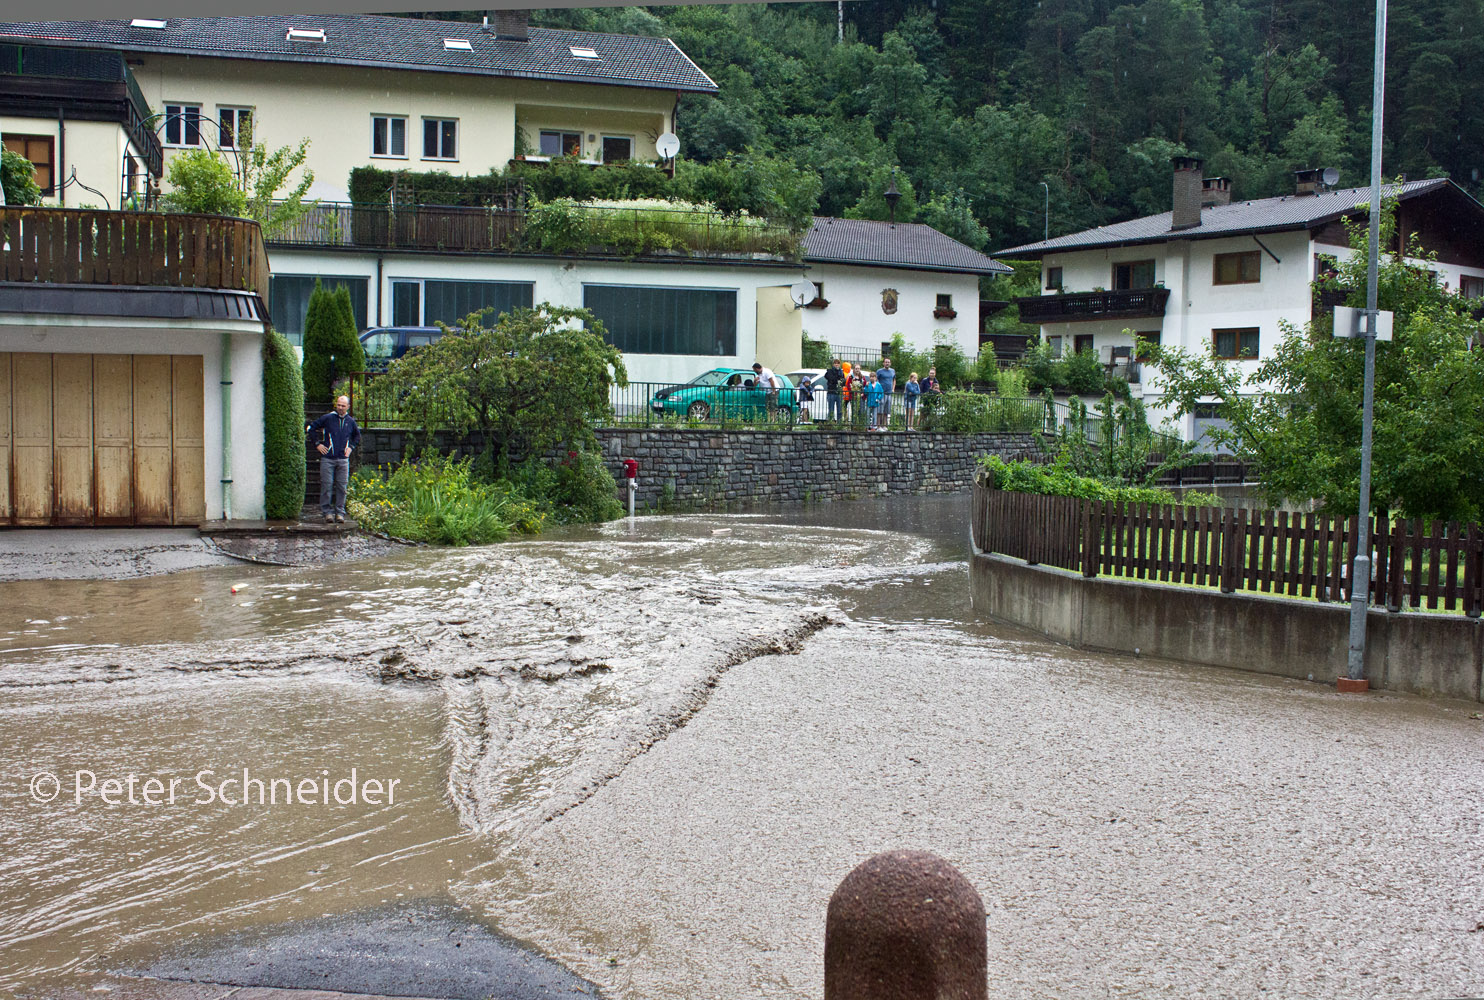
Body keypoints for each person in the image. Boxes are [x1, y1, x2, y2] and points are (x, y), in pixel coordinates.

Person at [306, 395, 361, 523]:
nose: (340, 408)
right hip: (328, 458)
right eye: (338, 405)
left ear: (348, 407)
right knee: (327, 485)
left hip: (343, 459)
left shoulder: (351, 422)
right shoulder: (328, 418)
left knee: (342, 487)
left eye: (343, 406)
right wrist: (317, 444)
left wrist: (351, 447)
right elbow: (311, 428)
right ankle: (327, 512)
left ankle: (340, 513)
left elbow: (357, 436)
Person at [875, 357, 896, 429]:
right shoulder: (879, 371)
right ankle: (878, 425)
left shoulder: (892, 371)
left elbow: (894, 380)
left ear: (890, 363)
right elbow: (876, 380)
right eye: (886, 362)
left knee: (886, 410)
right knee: (880, 409)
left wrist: (893, 388)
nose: (887, 363)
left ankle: (884, 425)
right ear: (883, 363)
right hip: (882, 393)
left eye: (888, 362)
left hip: (889, 393)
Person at [824, 358, 845, 422]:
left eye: (838, 363)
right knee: (831, 409)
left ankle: (839, 423)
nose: (836, 365)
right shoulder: (829, 371)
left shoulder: (841, 372)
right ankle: (830, 422)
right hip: (831, 392)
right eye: (835, 363)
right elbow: (831, 379)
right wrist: (837, 378)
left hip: (839, 393)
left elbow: (843, 381)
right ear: (833, 364)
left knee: (840, 410)